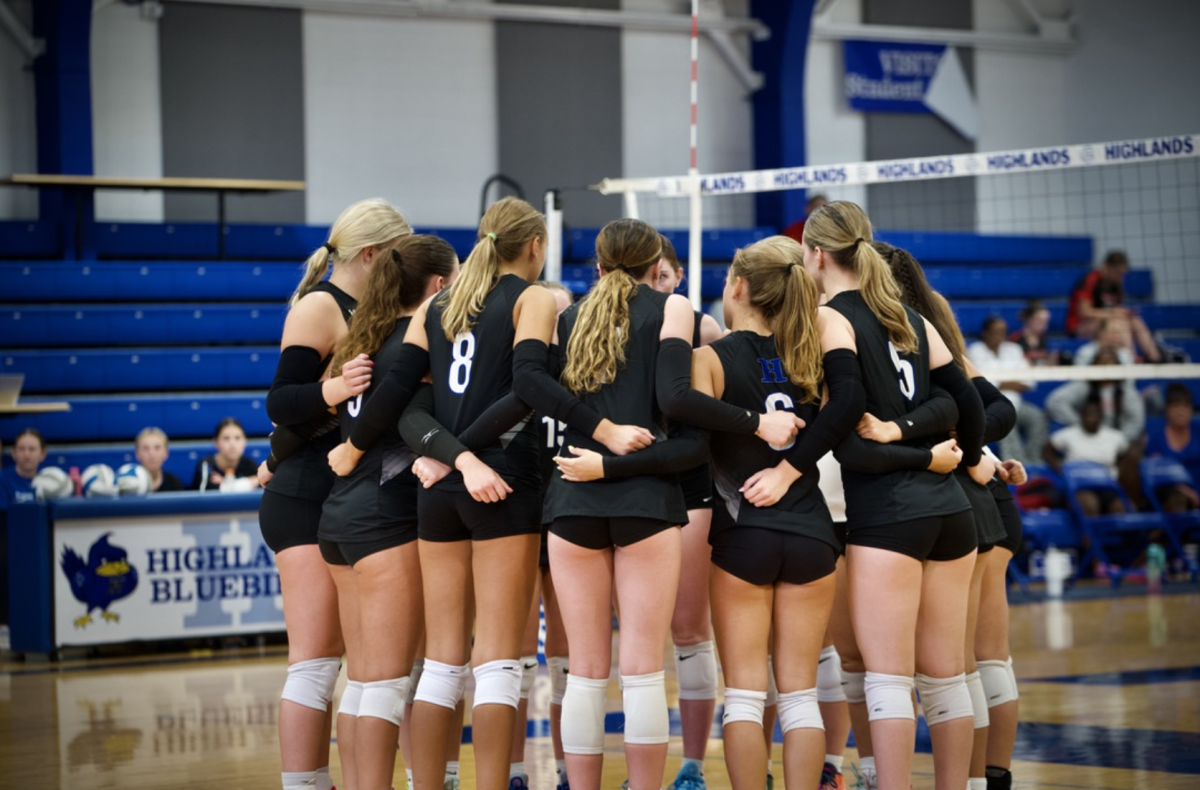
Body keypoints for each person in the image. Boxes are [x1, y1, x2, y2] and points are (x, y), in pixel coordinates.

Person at [332, 197, 654, 790]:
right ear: (535, 247)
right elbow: (529, 387)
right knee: (499, 665)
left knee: (441, 665)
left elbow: (403, 399)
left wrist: (443, 455)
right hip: (502, 482)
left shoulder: (438, 303)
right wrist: (473, 458)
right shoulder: (530, 297)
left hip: (441, 490)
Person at [656, 235, 862, 790]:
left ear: (739, 286)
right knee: (799, 694)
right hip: (814, 532)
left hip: (744, 535)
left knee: (746, 693)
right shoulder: (810, 354)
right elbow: (841, 414)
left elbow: (690, 442)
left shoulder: (709, 358)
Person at [806, 201, 991, 790]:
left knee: (887, 678)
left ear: (814, 254)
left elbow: (853, 449)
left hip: (888, 518)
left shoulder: (829, 319)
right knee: (946, 678)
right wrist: (934, 445)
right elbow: (971, 412)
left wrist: (896, 434)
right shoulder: (913, 317)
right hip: (952, 515)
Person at [262, 197, 409, 790]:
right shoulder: (322, 305)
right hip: (304, 496)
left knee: (363, 667)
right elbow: (280, 402)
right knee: (316, 662)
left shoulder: (378, 306)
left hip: (345, 498)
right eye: (395, 256)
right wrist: (333, 389)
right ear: (371, 254)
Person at [317, 235, 458, 790]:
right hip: (383, 519)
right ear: (441, 287)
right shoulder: (416, 347)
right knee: (384, 685)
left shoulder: (362, 337)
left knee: (364, 681)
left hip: (341, 519)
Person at [654, 234, 723, 790]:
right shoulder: (604, 323)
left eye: (664, 275)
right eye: (647, 275)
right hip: (626, 491)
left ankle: (693, 763)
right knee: (636, 636)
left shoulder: (703, 330)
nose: (656, 284)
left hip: (690, 487)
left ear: (677, 277)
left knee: (688, 628)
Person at [968, 316, 1047, 464]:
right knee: (1004, 421)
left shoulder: (1014, 349)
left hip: (1017, 403)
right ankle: (1018, 464)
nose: (1000, 336)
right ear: (985, 333)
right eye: (996, 332)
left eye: (1003, 332)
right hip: (990, 405)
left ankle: (1035, 462)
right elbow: (982, 384)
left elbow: (1028, 382)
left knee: (1038, 418)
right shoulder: (975, 351)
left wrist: (1001, 383)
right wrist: (1011, 383)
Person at [1066, 250, 1161, 360]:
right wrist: (1113, 313)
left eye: (1122, 274)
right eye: (1118, 273)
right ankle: (1130, 361)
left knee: (1134, 320)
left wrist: (1122, 313)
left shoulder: (1116, 285)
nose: (1120, 277)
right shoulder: (1090, 280)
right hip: (1080, 327)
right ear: (1107, 268)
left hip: (1106, 322)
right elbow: (1084, 312)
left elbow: (1115, 310)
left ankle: (1156, 358)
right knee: (1118, 324)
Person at [1045, 346, 1145, 446]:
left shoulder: (1126, 391)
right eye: (1102, 363)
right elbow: (1056, 402)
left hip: (1119, 441)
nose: (1106, 368)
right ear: (1094, 365)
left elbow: (1136, 420)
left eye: (1110, 364)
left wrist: (1120, 440)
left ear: (1118, 366)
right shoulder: (1083, 386)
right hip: (1086, 440)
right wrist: (1079, 425)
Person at [1045, 397, 1131, 493]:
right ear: (1081, 417)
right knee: (1090, 505)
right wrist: (1059, 468)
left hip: (1107, 483)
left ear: (1101, 417)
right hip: (1078, 484)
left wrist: (1118, 471)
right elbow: (1047, 450)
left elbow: (1125, 455)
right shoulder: (1068, 434)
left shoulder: (1115, 436)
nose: (1090, 419)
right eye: (1087, 415)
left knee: (1119, 506)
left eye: (1094, 415)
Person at [1144, 383, 1200, 510]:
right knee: (1177, 500)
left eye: (1185, 406)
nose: (1181, 411)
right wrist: (1188, 493)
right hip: (1172, 492)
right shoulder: (1156, 438)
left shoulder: (1198, 431)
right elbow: (1158, 474)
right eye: (1176, 406)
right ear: (1167, 409)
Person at [191, 418, 258, 492]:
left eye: (237, 438)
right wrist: (247, 483)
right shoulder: (206, 465)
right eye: (226, 438)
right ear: (216, 442)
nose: (232, 444)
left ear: (245, 441)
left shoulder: (250, 465)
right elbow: (203, 494)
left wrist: (224, 485)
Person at [0, 427, 46, 507]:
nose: (26, 455)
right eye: (21, 449)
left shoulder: (49, 481)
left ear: (43, 454)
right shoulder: (2, 480)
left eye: (32, 449)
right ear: (13, 453)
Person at [1009, 300, 1062, 367]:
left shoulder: (1044, 340)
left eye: (1046, 322)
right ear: (1029, 319)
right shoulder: (1015, 338)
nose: (1043, 325)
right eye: (1039, 320)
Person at [134, 427, 185, 492]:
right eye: (145, 448)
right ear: (137, 454)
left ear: (166, 453)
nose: (151, 454)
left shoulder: (175, 485)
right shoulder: (127, 484)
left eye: (157, 448)